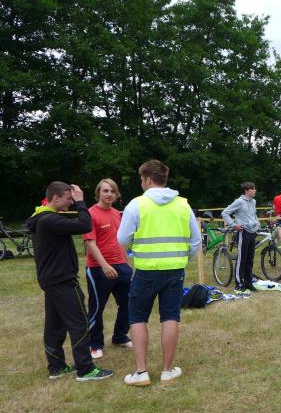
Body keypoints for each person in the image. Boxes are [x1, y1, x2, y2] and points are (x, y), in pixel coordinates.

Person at [118, 160, 201, 386]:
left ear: (147, 179)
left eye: (141, 179)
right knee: (170, 317)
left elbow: (122, 238)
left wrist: (135, 248)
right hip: (175, 269)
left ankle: (141, 372)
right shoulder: (183, 205)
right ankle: (167, 370)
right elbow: (196, 240)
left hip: (146, 270)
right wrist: (183, 257)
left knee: (137, 317)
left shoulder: (136, 205)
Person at [26, 182, 113, 381]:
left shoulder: (43, 218)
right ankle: (86, 369)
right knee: (79, 323)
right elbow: (85, 225)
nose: (71, 202)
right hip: (63, 280)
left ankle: (56, 367)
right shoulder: (49, 220)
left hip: (51, 280)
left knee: (55, 325)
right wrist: (81, 202)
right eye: (68, 198)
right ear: (56, 198)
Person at [83, 178, 132, 360]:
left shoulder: (117, 213)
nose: (109, 194)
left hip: (121, 266)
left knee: (128, 303)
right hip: (99, 268)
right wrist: (105, 265)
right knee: (97, 308)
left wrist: (127, 263)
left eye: (112, 191)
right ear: (98, 193)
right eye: (105, 191)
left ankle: (120, 336)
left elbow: (120, 241)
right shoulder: (90, 214)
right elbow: (90, 243)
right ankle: (95, 344)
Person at [221, 182, 259, 294]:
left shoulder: (253, 202)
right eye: (253, 189)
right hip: (243, 232)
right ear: (246, 190)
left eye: (255, 188)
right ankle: (239, 283)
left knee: (250, 259)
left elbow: (253, 215)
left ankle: (248, 283)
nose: (255, 190)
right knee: (242, 259)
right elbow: (225, 213)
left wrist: (257, 224)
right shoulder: (239, 201)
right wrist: (233, 225)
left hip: (252, 232)